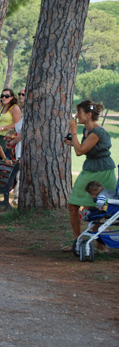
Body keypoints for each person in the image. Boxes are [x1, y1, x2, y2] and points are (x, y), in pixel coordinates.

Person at [64, 101, 116, 253]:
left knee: (94, 209)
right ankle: (78, 241)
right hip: (89, 169)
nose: (76, 115)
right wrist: (72, 142)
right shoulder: (87, 131)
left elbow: (80, 151)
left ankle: (99, 244)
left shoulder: (97, 132)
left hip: (102, 172)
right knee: (73, 205)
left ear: (88, 115)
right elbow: (84, 148)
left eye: (78, 113)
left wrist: (73, 132)